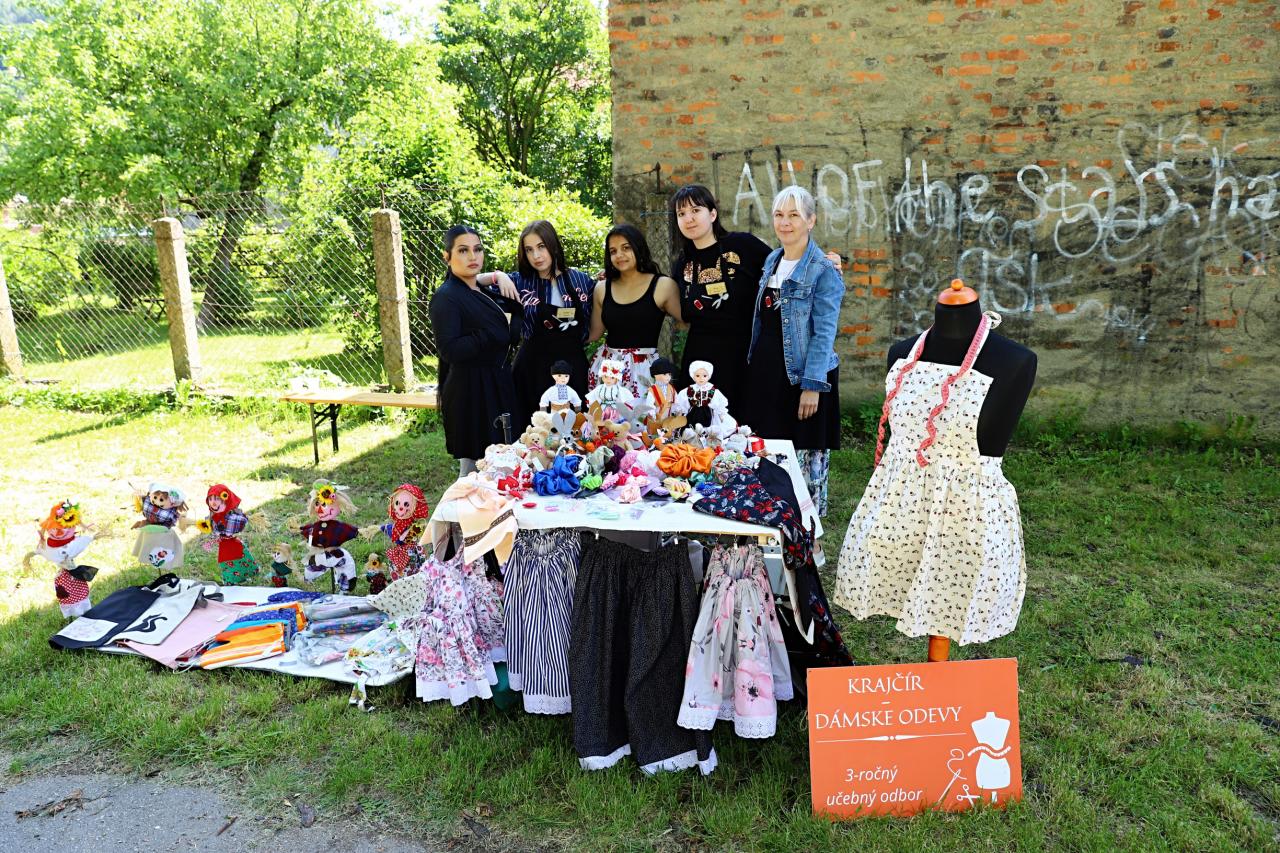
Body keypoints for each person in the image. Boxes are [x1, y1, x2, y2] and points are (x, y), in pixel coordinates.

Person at [744, 186, 844, 517]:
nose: (785, 223)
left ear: (811, 220)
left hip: (803, 375)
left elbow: (824, 332)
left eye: (794, 215)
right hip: (767, 372)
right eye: (779, 215)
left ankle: (807, 532)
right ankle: (770, 522)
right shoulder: (772, 260)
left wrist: (812, 385)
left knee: (804, 458)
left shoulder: (823, 269)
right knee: (768, 454)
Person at [477, 220, 595, 432]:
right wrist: (497, 276)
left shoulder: (581, 280)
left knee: (577, 429)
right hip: (531, 370)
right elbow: (471, 282)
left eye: (541, 247)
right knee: (534, 432)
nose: (536, 256)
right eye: (529, 250)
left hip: (574, 368)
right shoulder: (519, 282)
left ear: (553, 245)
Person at [668, 185, 771, 419]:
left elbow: (784, 266)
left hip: (743, 353)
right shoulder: (682, 263)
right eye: (681, 213)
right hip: (700, 357)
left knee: (742, 421)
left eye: (696, 210)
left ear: (712, 214)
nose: (689, 218)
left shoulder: (743, 245)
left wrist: (823, 263)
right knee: (698, 423)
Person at [429, 225, 523, 476]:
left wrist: (497, 276)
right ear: (447, 256)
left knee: (503, 466)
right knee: (474, 472)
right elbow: (449, 350)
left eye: (477, 249)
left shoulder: (479, 289)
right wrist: (490, 334)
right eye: (463, 250)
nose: (473, 256)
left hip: (497, 384)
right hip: (471, 392)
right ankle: (458, 505)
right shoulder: (446, 297)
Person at [587, 224, 682, 399]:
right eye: (613, 251)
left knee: (646, 416)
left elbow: (687, 321)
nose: (619, 255)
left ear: (639, 248)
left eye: (626, 248)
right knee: (607, 416)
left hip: (644, 371)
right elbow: (594, 333)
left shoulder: (663, 286)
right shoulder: (602, 288)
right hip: (608, 372)